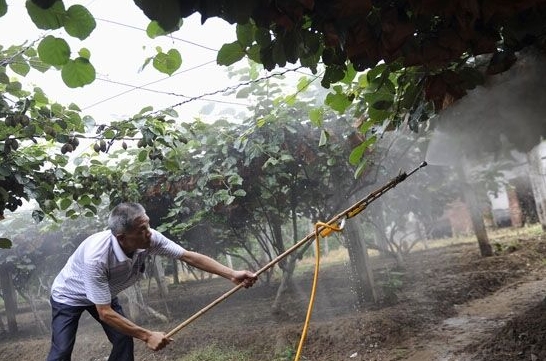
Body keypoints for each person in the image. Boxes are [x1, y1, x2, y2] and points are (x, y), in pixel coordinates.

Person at [46, 202, 257, 361]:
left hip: (104, 294)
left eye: (147, 226)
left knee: (123, 339)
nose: (149, 233)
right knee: (62, 350)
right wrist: (147, 336)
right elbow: (105, 313)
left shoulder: (149, 239)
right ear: (121, 237)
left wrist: (231, 274)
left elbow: (188, 256)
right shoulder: (97, 257)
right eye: (141, 230)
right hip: (70, 295)